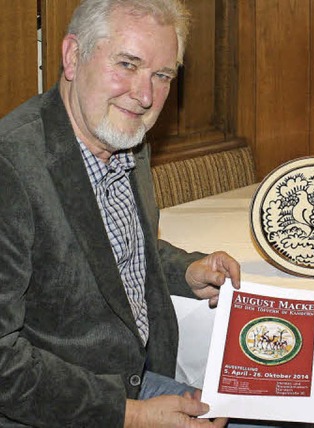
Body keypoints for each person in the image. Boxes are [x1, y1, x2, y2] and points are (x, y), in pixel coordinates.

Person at [0, 0, 240, 426]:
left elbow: (107, 250)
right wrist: (132, 416)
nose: (145, 96)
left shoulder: (126, 136)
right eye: (128, 64)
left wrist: (184, 270)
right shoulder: (11, 167)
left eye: (161, 75)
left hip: (138, 379)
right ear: (73, 56)